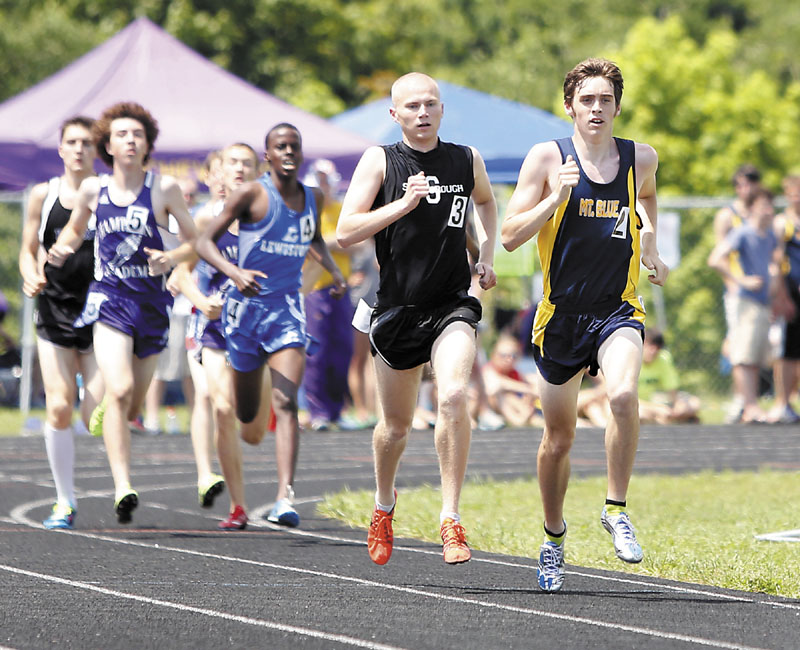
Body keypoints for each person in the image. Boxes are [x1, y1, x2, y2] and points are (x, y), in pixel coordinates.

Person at [501, 58, 668, 591]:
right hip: (562, 317)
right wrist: (555, 198)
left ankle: (616, 508)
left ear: (618, 106)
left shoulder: (640, 157)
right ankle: (553, 539)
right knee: (558, 439)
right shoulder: (548, 158)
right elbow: (508, 237)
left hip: (618, 308)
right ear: (569, 105)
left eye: (606, 99)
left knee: (622, 397)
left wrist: (653, 250)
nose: (597, 108)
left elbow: (646, 200)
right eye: (587, 99)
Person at [336, 72, 498, 566]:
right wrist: (403, 204)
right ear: (395, 115)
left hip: (452, 302)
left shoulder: (465, 158)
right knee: (396, 427)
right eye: (411, 106)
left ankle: (450, 518)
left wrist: (485, 252)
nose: (422, 113)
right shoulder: (380, 160)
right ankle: (384, 504)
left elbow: (487, 204)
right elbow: (345, 231)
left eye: (430, 104)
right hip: (398, 308)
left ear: (442, 109)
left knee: (451, 394)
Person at [48, 102, 197, 524]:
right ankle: (122, 485)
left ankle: (112, 412)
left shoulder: (163, 188)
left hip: (151, 305)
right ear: (108, 145)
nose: (130, 140)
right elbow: (77, 228)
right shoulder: (94, 190)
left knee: (130, 403)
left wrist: (173, 261)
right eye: (122, 134)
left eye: (137, 134)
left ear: (148, 143)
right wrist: (64, 246)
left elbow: (196, 240)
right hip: (109, 299)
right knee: (119, 387)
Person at [195, 124, 346, 529]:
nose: (289, 152)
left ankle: (285, 497)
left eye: (294, 146)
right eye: (280, 147)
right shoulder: (252, 194)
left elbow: (312, 237)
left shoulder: (312, 197)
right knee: (249, 425)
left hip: (286, 311)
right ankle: (251, 402)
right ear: (269, 155)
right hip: (245, 314)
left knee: (285, 403)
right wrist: (234, 272)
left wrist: (333, 270)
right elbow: (203, 243)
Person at [18, 116, 105, 529]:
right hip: (54, 308)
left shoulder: (110, 195)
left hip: (103, 311)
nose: (79, 149)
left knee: (95, 417)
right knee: (58, 406)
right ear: (61, 149)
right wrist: (31, 273)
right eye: (72, 142)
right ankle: (64, 500)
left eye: (86, 143)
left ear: (96, 149)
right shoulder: (43, 194)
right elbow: (28, 248)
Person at [173, 143, 259, 529]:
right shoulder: (206, 218)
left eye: (247, 164)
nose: (239, 170)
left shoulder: (267, 218)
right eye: (232, 163)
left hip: (258, 330)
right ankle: (237, 505)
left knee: (253, 429)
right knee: (219, 405)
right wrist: (201, 301)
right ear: (218, 171)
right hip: (214, 329)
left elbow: (304, 263)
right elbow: (180, 274)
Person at [708, 188, 780, 424]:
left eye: (771, 206)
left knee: (757, 357)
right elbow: (716, 259)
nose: (769, 211)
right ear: (752, 208)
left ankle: (752, 404)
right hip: (744, 300)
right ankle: (748, 406)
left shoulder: (769, 236)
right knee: (743, 355)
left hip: (762, 302)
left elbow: (771, 264)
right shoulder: (742, 232)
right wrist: (741, 280)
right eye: (763, 206)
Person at [300, 159, 358, 431]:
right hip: (315, 288)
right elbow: (312, 245)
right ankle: (318, 410)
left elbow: (357, 241)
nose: (323, 185)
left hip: (340, 288)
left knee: (342, 350)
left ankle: (336, 409)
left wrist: (330, 242)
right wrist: (335, 242)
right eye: (319, 179)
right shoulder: (305, 209)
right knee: (317, 351)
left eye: (327, 179)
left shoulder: (341, 208)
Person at [713, 165, 762, 420]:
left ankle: (750, 399)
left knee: (756, 347)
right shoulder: (727, 216)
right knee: (738, 345)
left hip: (762, 293)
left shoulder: (761, 213)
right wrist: (736, 283)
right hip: (738, 291)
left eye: (752, 183)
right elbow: (719, 256)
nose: (748, 188)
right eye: (742, 183)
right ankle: (741, 400)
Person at [768, 175, 800, 424]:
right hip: (791, 295)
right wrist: (781, 296)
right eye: (793, 192)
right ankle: (783, 402)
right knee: (787, 352)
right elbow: (776, 261)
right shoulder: (783, 223)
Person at [638, 330, 700, 424]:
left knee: (694, 404)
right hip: (637, 404)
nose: (653, 351)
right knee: (641, 414)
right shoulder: (632, 359)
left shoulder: (663, 359)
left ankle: (666, 420)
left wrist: (677, 406)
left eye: (657, 347)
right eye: (649, 345)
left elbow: (672, 390)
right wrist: (655, 409)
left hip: (657, 401)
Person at [481, 332, 542, 428]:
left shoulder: (514, 372)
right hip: (492, 406)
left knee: (535, 387)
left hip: (518, 408)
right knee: (502, 395)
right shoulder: (489, 370)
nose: (509, 359)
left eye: (513, 355)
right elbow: (500, 383)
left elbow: (530, 380)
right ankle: (519, 421)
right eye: (504, 355)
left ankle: (532, 419)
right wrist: (528, 389)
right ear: (494, 355)